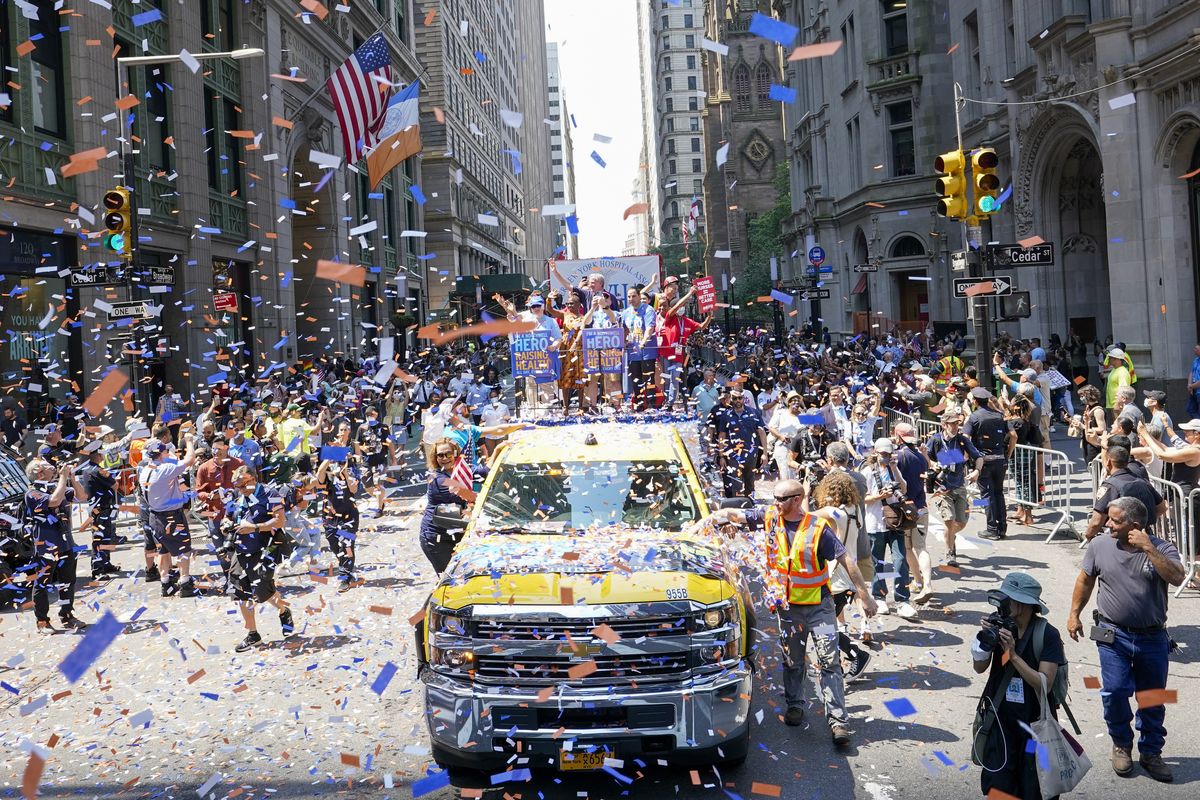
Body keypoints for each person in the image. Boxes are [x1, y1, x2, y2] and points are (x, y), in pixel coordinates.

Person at [696, 479, 877, 747]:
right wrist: (706, 522)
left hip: (821, 608)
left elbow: (845, 559)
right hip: (789, 610)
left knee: (829, 661)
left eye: (781, 499)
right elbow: (731, 514)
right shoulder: (770, 517)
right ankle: (795, 705)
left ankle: (839, 722)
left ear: (797, 499)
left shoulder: (818, 529)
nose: (775, 503)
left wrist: (865, 595)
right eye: (774, 499)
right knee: (793, 661)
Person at [1066, 496, 1183, 783]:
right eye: (1108, 518)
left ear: (1135, 525)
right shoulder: (1099, 545)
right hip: (1112, 635)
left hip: (1152, 638)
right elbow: (1085, 580)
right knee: (1115, 691)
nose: (1107, 524)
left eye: (1115, 520)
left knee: (1152, 698)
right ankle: (1121, 743)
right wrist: (1074, 614)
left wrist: (1148, 548)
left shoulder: (1161, 548)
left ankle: (1151, 752)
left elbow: (1178, 577)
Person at [971, 573, 1065, 800]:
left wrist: (1012, 656)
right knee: (998, 787)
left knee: (1034, 787)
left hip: (1035, 728)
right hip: (1000, 722)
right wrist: (984, 641)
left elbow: (1045, 683)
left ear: (1022, 604)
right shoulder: (999, 623)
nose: (1003, 603)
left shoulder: (1047, 634)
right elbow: (979, 667)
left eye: (1008, 598)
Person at [809, 472, 872, 680]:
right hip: (849, 576)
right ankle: (832, 662)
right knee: (826, 624)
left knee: (822, 625)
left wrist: (806, 487)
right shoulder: (855, 511)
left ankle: (857, 655)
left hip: (835, 576)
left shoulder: (833, 512)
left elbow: (803, 518)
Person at [225, 466, 293, 652]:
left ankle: (283, 610)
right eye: (237, 486)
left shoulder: (271, 493)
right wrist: (227, 523)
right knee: (240, 593)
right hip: (241, 550)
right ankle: (253, 634)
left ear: (252, 480)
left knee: (264, 593)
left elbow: (280, 521)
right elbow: (229, 515)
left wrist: (254, 527)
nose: (239, 490)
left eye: (242, 485)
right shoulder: (239, 496)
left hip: (262, 550)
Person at [24, 459, 89, 632]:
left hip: (65, 544)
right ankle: (42, 622)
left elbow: (82, 497)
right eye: (46, 466)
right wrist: (62, 477)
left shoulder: (57, 487)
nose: (52, 467)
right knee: (42, 584)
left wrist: (72, 478)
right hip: (46, 547)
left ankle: (67, 616)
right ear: (39, 473)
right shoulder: (32, 493)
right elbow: (53, 501)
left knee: (67, 582)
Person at [862, 438, 916, 619]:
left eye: (889, 454)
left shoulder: (894, 468)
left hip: (895, 521)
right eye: (883, 454)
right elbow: (863, 499)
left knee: (900, 560)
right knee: (878, 562)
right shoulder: (867, 472)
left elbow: (904, 488)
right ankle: (879, 597)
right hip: (875, 522)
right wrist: (880, 496)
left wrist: (894, 470)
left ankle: (903, 600)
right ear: (875, 453)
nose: (886, 457)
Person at [139, 436, 200, 597]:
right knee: (182, 550)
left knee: (163, 551)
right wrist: (189, 441)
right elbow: (190, 459)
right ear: (160, 453)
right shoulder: (164, 470)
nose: (168, 453)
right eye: (166, 451)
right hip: (171, 516)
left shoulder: (145, 470)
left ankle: (166, 584)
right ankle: (185, 583)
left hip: (155, 516)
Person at [926, 410, 982, 569]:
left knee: (962, 522)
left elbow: (978, 457)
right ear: (944, 425)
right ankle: (950, 552)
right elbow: (927, 457)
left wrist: (977, 471)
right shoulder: (935, 440)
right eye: (952, 423)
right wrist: (932, 464)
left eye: (958, 423)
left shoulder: (962, 440)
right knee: (949, 521)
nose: (956, 426)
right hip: (942, 488)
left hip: (959, 486)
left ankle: (950, 537)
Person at [1085, 442, 1166, 540]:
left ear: (1108, 462)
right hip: (1144, 537)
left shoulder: (1110, 486)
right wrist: (1142, 523)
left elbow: (1096, 522)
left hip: (1119, 539)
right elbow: (1162, 507)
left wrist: (1089, 536)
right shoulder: (1142, 481)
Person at [964, 387, 1015, 540]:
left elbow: (965, 438)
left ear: (974, 401)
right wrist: (1008, 454)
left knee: (987, 495)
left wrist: (967, 457)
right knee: (999, 493)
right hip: (1000, 460)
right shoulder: (999, 415)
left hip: (983, 462)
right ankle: (1001, 529)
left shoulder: (974, 417)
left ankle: (992, 529)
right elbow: (1014, 436)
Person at [891, 423, 932, 604]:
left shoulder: (898, 456)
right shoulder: (920, 456)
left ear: (898, 436)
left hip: (905, 509)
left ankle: (918, 581)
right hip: (921, 506)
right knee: (921, 547)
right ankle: (925, 584)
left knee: (908, 548)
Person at [421, 439, 474, 573]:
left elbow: (484, 470)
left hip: (457, 531)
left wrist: (497, 451)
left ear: (456, 454)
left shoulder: (460, 471)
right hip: (437, 538)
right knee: (451, 579)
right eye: (440, 455)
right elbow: (471, 496)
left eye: (448, 454)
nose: (444, 458)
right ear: (435, 457)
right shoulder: (438, 479)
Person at [315, 455, 360, 592]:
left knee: (346, 545)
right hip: (330, 519)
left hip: (349, 518)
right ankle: (347, 568)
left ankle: (344, 577)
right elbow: (319, 475)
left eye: (341, 463)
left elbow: (353, 489)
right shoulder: (327, 478)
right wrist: (330, 457)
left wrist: (345, 473)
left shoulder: (351, 475)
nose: (338, 466)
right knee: (335, 546)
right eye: (336, 463)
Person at [76, 444, 120, 578]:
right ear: (99, 455)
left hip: (95, 508)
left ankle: (105, 564)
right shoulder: (99, 470)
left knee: (104, 537)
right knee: (101, 538)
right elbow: (115, 485)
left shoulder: (87, 469)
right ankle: (98, 569)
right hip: (103, 508)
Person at [714, 389, 768, 498]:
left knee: (750, 482)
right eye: (735, 398)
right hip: (733, 455)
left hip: (751, 453)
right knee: (736, 484)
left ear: (743, 399)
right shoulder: (726, 415)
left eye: (740, 398)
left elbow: (762, 433)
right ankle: (738, 508)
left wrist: (765, 453)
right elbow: (721, 436)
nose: (738, 400)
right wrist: (721, 457)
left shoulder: (754, 412)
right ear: (731, 400)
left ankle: (750, 505)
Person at [621, 286, 657, 411]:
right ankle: (639, 405)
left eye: (634, 296)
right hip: (632, 352)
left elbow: (649, 328)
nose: (631, 299)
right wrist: (624, 341)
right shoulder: (626, 312)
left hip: (647, 351)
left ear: (639, 296)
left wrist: (643, 341)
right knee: (635, 379)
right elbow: (624, 329)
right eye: (629, 296)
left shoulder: (648, 309)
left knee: (648, 378)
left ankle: (652, 405)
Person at [766, 391, 805, 481]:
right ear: (789, 402)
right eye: (793, 400)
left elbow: (818, 421)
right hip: (784, 445)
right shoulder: (781, 413)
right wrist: (780, 437)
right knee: (785, 472)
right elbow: (771, 427)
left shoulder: (803, 415)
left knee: (797, 473)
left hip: (798, 448)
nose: (796, 403)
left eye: (798, 400)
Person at [1077, 384, 1107, 464]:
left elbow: (1102, 429)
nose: (1081, 398)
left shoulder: (1098, 411)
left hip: (1094, 445)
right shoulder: (1088, 408)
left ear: (1089, 395)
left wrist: (1084, 427)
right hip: (1087, 441)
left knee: (1094, 466)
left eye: (1082, 395)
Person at [1104, 347, 1133, 417]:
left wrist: (1118, 404)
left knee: (1120, 426)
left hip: (1119, 406)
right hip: (1113, 405)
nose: (1108, 359)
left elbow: (1124, 390)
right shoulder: (1114, 370)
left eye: (1110, 357)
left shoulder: (1122, 372)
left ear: (1116, 359)